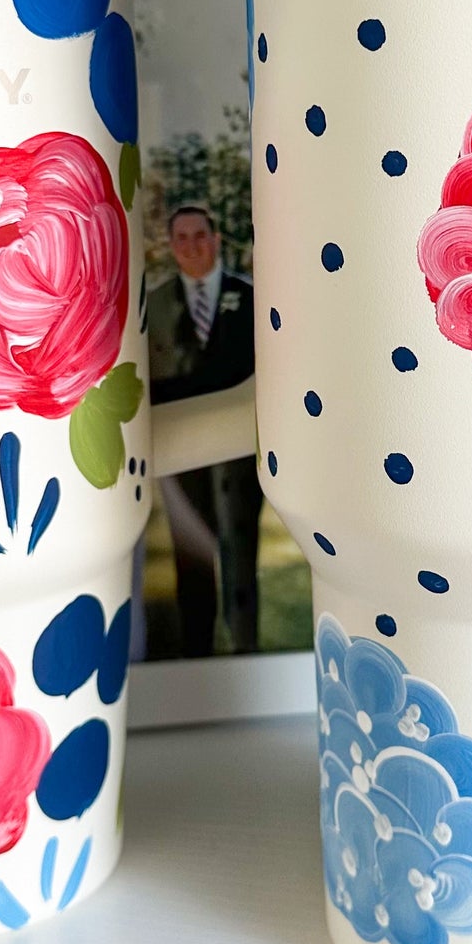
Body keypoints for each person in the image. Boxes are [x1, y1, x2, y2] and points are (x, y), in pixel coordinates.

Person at [146, 203, 262, 655]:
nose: (191, 246)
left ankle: (246, 646)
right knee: (190, 555)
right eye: (181, 238)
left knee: (240, 548)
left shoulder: (251, 297)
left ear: (215, 240)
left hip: (238, 451)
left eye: (200, 236)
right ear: (171, 246)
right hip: (181, 452)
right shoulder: (154, 305)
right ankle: (198, 652)